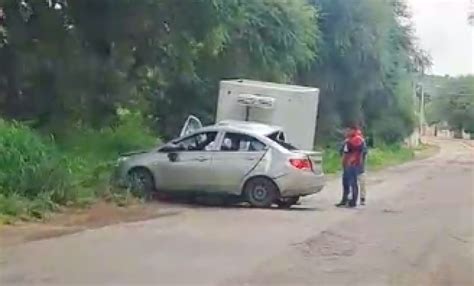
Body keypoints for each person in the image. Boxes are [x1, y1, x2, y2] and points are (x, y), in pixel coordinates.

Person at [336, 125, 364, 208]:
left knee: (352, 183)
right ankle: (345, 200)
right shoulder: (349, 140)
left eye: (348, 130)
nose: (346, 132)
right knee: (346, 183)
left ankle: (352, 201)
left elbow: (355, 150)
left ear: (353, 130)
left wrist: (348, 142)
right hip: (347, 163)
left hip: (352, 163)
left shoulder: (356, 139)